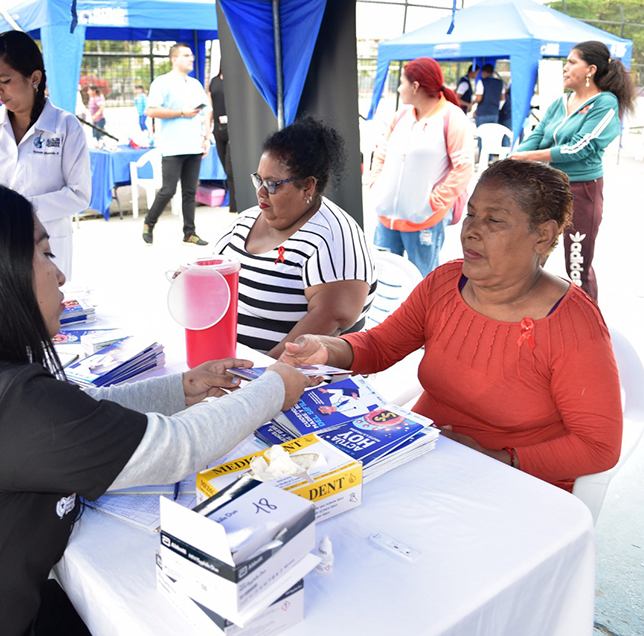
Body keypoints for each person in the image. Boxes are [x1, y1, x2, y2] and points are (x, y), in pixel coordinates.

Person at [0, 176, 308, 635]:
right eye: (44, 254)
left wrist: (183, 388)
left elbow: (82, 409)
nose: (61, 274)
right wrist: (273, 387)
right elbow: (176, 448)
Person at [280, 159, 623, 493]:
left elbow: (597, 446)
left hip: (517, 482)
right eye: (471, 214)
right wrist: (325, 349)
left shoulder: (573, 325)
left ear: (543, 236)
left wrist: (496, 459)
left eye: (495, 221)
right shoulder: (445, 282)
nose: (471, 230)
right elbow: (382, 346)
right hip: (422, 457)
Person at [215, 117, 376, 358]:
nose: (260, 191)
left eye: (272, 184)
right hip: (232, 367)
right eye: (259, 179)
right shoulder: (245, 221)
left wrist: (260, 379)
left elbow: (331, 319)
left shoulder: (333, 238)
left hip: (293, 380)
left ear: (308, 187)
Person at [509, 41, 636, 303]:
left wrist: (528, 157)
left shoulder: (605, 103)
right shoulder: (560, 102)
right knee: (532, 253)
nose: (565, 68)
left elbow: (580, 147)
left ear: (590, 70)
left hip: (581, 190)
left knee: (577, 266)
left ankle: (588, 325)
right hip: (549, 189)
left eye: (571, 62)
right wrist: (514, 158)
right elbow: (539, 136)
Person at [0, 30, 90, 281]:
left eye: (4, 80)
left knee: (46, 311)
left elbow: (79, 194)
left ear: (34, 78)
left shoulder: (65, 126)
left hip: (48, 243)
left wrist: (19, 211)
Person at [369, 57, 473, 277]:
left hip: (424, 220)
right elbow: (382, 152)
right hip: (387, 217)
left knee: (422, 281)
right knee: (383, 278)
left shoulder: (452, 118)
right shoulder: (402, 116)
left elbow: (463, 168)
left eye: (402, 83)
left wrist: (433, 202)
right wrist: (376, 185)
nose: (398, 89)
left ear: (415, 86)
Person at [142, 42, 212, 246]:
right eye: (186, 55)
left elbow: (206, 111)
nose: (192, 58)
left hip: (194, 146)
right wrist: (181, 113)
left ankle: (189, 232)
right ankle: (149, 222)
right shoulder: (162, 83)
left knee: (190, 192)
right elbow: (151, 110)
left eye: (191, 55)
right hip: (172, 147)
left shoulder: (195, 84)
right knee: (168, 189)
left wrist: (206, 136)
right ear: (174, 59)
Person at [208, 67, 237, 212]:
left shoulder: (234, 81)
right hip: (218, 128)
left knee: (231, 169)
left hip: (232, 127)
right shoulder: (214, 81)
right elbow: (210, 106)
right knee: (226, 169)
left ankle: (234, 207)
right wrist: (207, 130)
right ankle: (233, 203)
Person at [473, 63, 505, 128]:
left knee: (481, 135)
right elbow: (503, 98)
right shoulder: (500, 82)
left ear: (484, 72)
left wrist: (472, 103)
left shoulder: (481, 82)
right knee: (491, 136)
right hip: (494, 113)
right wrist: (497, 108)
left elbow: (479, 98)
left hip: (482, 113)